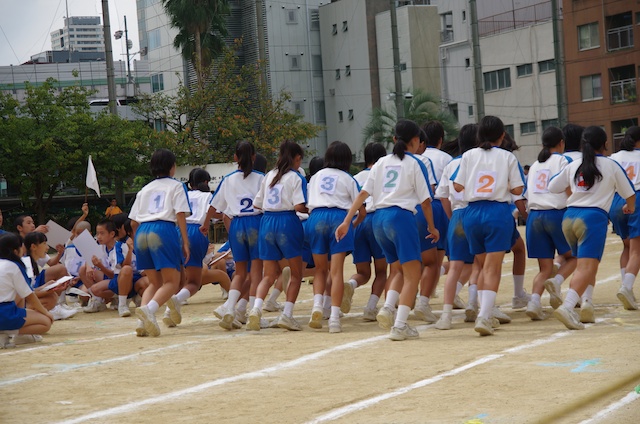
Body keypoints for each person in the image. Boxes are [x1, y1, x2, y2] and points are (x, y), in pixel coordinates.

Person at [336, 119, 439, 341]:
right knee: (413, 273)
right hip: (401, 218)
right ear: (415, 141)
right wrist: (432, 227)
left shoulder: (381, 163)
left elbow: (363, 195)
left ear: (394, 139)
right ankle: (400, 325)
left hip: (378, 220)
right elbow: (426, 202)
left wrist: (346, 221)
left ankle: (388, 307)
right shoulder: (415, 163)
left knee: (397, 269)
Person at [548, 126, 635, 329]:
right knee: (588, 266)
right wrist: (628, 208)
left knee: (584, 265)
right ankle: (568, 306)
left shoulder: (574, 164)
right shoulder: (610, 165)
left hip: (569, 217)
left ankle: (587, 303)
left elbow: (553, 186)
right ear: (604, 144)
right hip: (592, 218)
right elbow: (629, 193)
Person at [452, 115, 525, 336]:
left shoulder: (468, 155)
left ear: (479, 135)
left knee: (482, 266)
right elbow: (518, 190)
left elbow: (457, 185)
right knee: (493, 268)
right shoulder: (507, 157)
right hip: (497, 212)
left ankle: (486, 312)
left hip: (472, 213)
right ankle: (485, 315)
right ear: (502, 136)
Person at [203, 141, 264, 330]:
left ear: (235, 158)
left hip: (237, 224)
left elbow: (214, 206)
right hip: (256, 222)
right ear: (254, 157)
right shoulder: (262, 177)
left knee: (240, 271)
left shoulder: (228, 179)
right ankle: (254, 311)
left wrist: (205, 224)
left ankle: (230, 307)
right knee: (256, 272)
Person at [129, 149, 191, 337]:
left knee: (153, 283)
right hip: (163, 230)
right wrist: (185, 242)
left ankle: (142, 321)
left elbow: (133, 221)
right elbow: (180, 214)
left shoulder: (144, 189)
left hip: (142, 232)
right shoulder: (176, 186)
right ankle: (150, 310)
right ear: (172, 167)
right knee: (172, 282)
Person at [250, 140, 307, 331]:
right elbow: (299, 206)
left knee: (269, 274)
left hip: (267, 222)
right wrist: (312, 209)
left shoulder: (269, 175)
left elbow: (257, 204)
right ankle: (287, 315)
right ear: (297, 158)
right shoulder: (296, 177)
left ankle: (256, 310)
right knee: (296, 274)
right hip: (287, 222)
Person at [306, 141, 362, 333]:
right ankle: (335, 319)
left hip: (315, 218)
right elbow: (360, 210)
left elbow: (309, 203)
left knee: (320, 270)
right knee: (336, 272)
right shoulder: (348, 178)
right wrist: (351, 225)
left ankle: (317, 307)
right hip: (339, 217)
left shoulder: (315, 177)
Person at [525, 126, 576, 320]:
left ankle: (534, 302)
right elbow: (568, 188)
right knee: (576, 256)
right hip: (557, 214)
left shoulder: (536, 164)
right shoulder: (563, 160)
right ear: (561, 143)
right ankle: (557, 281)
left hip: (535, 217)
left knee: (544, 267)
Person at [434, 123, 478, 330]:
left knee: (455, 267)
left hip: (457, 215)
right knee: (480, 264)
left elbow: (442, 196)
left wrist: (452, 217)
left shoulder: (451, 164)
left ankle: (445, 315)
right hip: (476, 212)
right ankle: (473, 304)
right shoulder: (479, 159)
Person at [160, 168, 214, 328]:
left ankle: (168, 313)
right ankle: (176, 300)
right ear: (205, 182)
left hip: (178, 231)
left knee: (178, 278)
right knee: (194, 282)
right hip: (197, 232)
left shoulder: (184, 194)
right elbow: (216, 212)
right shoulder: (207, 195)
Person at [349, 142, 389, 321]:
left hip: (358, 222)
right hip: (376, 220)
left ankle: (350, 284)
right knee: (381, 271)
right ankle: (371, 307)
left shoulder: (355, 177)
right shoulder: (384, 174)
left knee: (363, 272)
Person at [0, 233, 53, 349]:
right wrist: (46, 313)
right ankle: (8, 333)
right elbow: (30, 295)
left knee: (19, 294)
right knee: (45, 322)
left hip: (6, 310)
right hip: (5, 313)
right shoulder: (14, 266)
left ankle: (8, 331)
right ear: (15, 251)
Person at [608, 126, 640, 310]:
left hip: (617, 201)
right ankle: (626, 287)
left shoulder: (615, 156)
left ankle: (625, 285)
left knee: (627, 246)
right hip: (636, 198)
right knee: (637, 250)